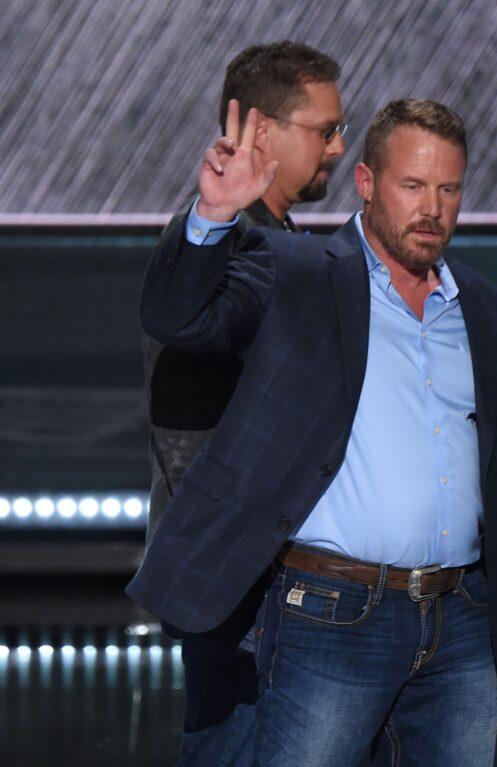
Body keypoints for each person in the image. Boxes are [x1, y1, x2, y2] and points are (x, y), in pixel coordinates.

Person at [130, 98, 497, 766]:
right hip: (333, 615)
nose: (433, 207)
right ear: (366, 184)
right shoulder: (298, 274)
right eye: (413, 186)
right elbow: (175, 317)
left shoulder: (477, 305)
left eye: (449, 188)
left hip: (460, 622)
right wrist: (212, 217)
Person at [143, 41, 347, 765]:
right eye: (324, 130)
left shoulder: (275, 238)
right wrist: (209, 217)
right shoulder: (223, 239)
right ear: (264, 132)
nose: (338, 146)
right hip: (237, 577)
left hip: (265, 575)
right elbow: (175, 322)